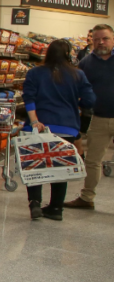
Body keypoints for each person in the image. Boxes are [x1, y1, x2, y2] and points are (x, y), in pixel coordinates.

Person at [21, 39, 96, 220]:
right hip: (67, 127)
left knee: (34, 165)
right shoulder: (78, 75)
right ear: (68, 54)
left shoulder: (35, 73)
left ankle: (35, 203)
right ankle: (55, 209)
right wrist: (74, 102)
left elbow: (29, 98)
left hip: (40, 127)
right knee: (60, 169)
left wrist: (34, 121)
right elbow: (90, 101)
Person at [66, 24, 114, 209]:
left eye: (105, 38)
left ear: (113, 39)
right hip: (99, 119)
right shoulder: (86, 63)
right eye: (96, 39)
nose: (100, 42)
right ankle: (87, 199)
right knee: (93, 161)